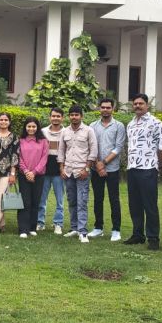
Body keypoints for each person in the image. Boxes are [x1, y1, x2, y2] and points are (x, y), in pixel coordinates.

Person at [123, 94, 162, 250]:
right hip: (132, 168)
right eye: (135, 103)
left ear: (147, 105)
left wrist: (158, 165)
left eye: (141, 103)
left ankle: (153, 238)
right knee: (134, 204)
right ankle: (138, 235)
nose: (137, 106)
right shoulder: (130, 124)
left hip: (148, 169)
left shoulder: (155, 122)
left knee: (150, 205)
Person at [58, 105, 98, 244]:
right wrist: (62, 168)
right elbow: (61, 151)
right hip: (68, 171)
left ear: (81, 116)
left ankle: (83, 231)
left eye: (76, 114)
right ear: (69, 116)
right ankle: (74, 228)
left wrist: (86, 169)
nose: (74, 117)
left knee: (82, 202)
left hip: (82, 172)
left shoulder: (88, 130)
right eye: (72, 115)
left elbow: (93, 150)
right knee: (72, 201)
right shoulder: (65, 131)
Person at [88, 98, 126, 242]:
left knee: (114, 199)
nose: (105, 109)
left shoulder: (119, 126)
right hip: (96, 169)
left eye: (108, 107)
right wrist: (98, 164)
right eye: (103, 107)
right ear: (99, 108)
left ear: (113, 109)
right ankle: (98, 228)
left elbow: (118, 147)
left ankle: (116, 230)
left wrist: (103, 163)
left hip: (112, 169)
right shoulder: (92, 126)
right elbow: (91, 146)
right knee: (98, 199)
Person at [0, 112, 19, 236]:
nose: (3, 122)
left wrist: (13, 173)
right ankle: (2, 223)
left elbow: (15, 156)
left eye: (6, 120)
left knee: (0, 198)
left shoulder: (14, 137)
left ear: (9, 122)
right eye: (1, 119)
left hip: (6, 172)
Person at [17, 117, 48, 238]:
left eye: (33, 126)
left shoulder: (43, 141)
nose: (31, 129)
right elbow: (19, 158)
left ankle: (32, 227)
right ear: (25, 127)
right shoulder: (20, 141)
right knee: (25, 202)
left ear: (37, 127)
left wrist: (34, 172)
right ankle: (23, 229)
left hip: (38, 176)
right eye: (29, 126)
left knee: (36, 201)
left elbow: (44, 158)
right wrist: (26, 172)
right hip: (24, 175)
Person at [37, 107, 66, 234]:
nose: (55, 118)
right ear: (50, 117)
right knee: (41, 198)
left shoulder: (66, 132)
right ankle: (40, 222)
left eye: (58, 116)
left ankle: (58, 223)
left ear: (62, 118)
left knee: (60, 200)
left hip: (59, 170)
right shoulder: (43, 132)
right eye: (53, 116)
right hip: (44, 170)